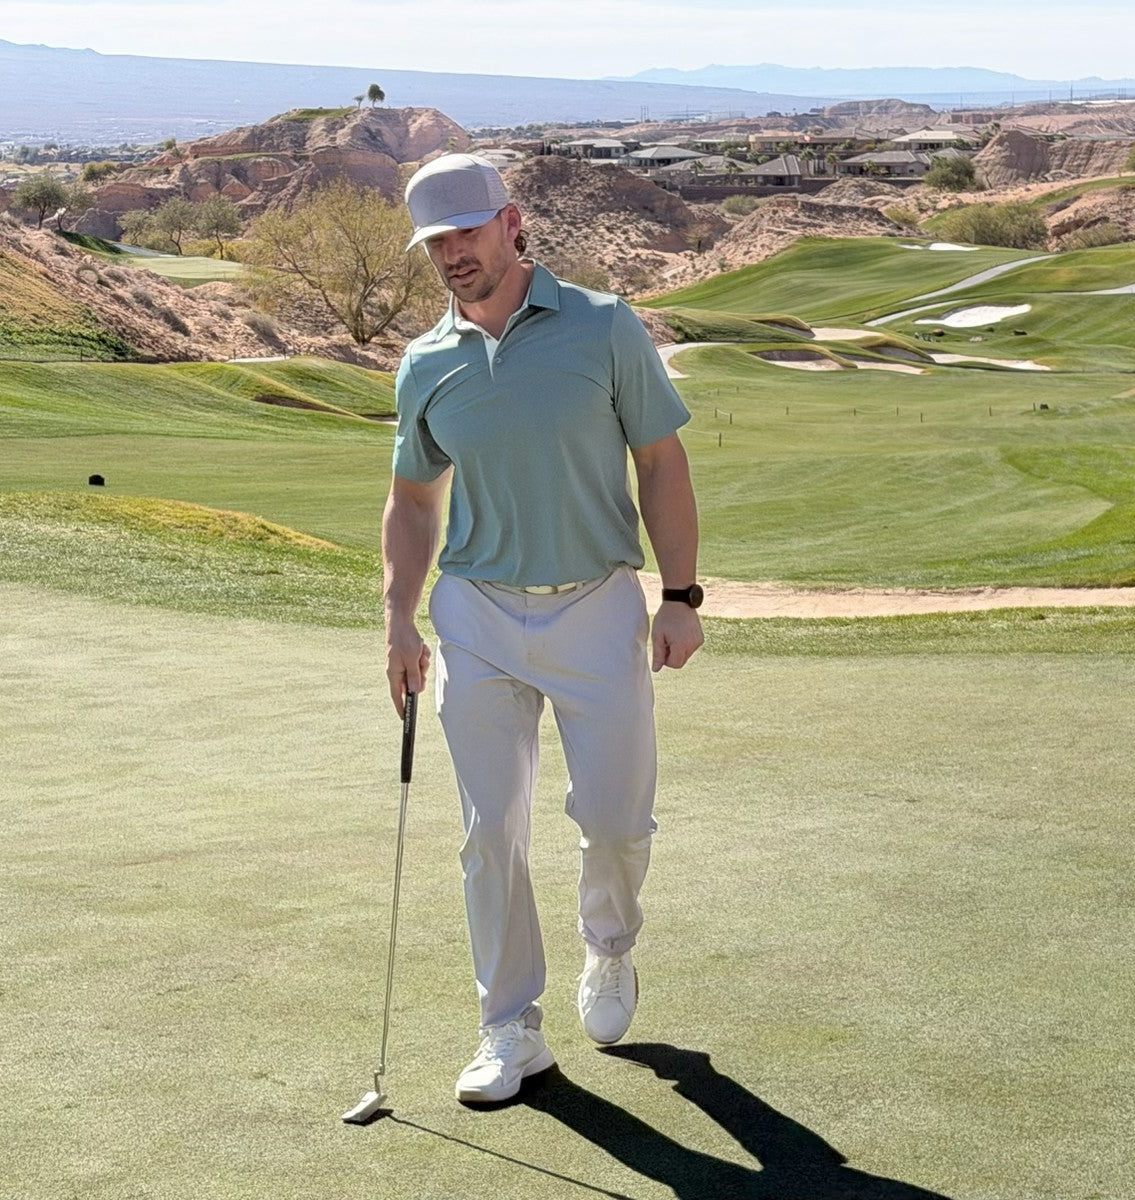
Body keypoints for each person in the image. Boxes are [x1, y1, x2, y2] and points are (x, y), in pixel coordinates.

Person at [381, 153, 704, 1104]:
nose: (451, 256)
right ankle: (509, 1025)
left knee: (613, 821)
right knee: (491, 830)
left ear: (511, 223)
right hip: (475, 612)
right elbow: (410, 498)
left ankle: (609, 948)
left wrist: (679, 597)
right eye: (434, 243)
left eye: (466, 234)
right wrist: (399, 619)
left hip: (596, 604)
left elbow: (662, 462)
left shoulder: (604, 327)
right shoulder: (425, 361)